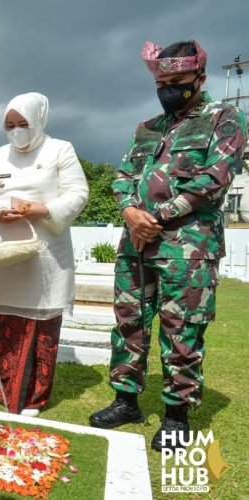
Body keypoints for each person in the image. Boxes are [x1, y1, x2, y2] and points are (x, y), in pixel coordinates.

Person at [89, 39, 247, 452]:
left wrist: (155, 218)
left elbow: (213, 181)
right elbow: (123, 175)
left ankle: (177, 415)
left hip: (188, 249)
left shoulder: (224, 119)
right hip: (135, 245)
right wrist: (129, 211)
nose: (168, 89)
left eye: (178, 81)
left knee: (182, 329)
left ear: (200, 78)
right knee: (129, 322)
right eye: (162, 82)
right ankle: (126, 401)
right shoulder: (146, 128)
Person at [0, 93, 89, 416]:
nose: (16, 130)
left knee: (39, 320)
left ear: (38, 120)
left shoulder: (60, 150)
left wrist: (42, 209)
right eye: (10, 125)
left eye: (23, 124)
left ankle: (33, 396)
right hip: (2, 254)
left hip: (44, 255)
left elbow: (79, 193)